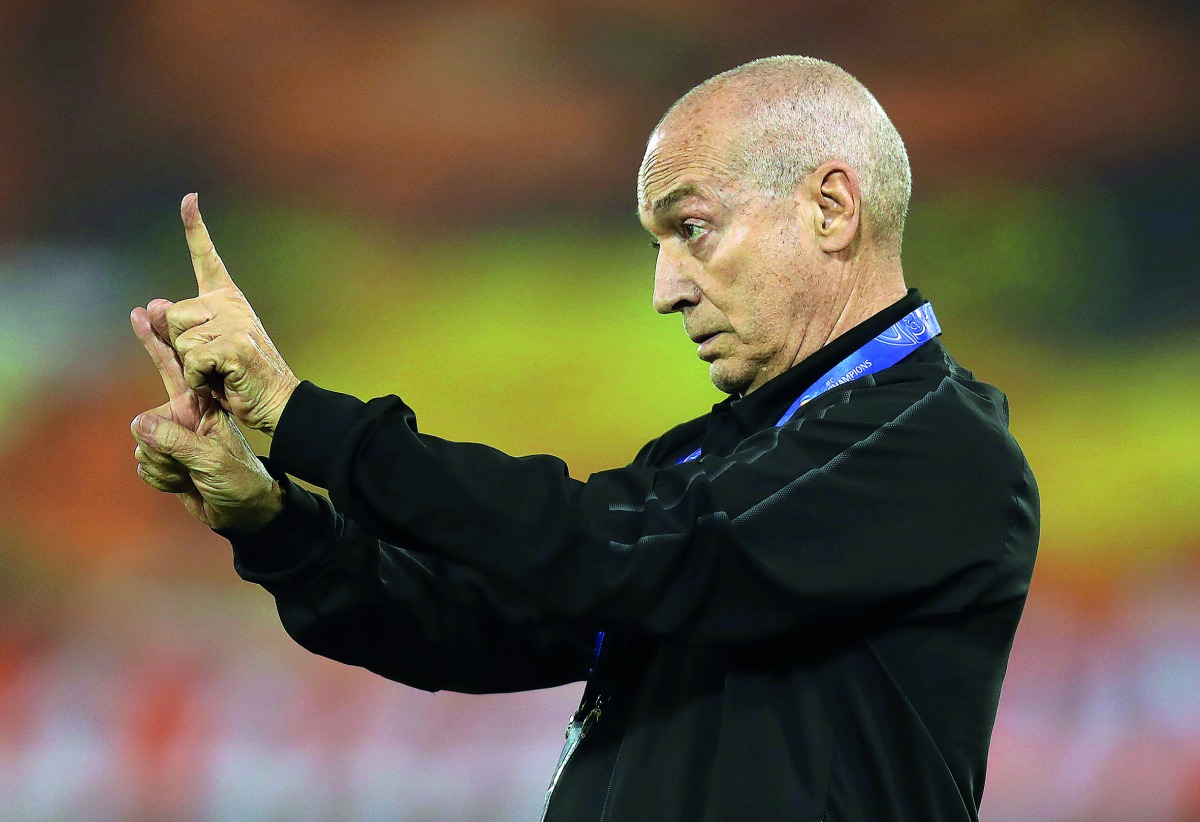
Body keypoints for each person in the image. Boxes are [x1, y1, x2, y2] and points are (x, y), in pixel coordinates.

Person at [130, 55, 1039, 821]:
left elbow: (621, 550)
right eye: (657, 246)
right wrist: (274, 523)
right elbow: (472, 627)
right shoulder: (710, 461)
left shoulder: (936, 445)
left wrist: (302, 418)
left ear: (832, 208)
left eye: (692, 229)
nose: (666, 289)